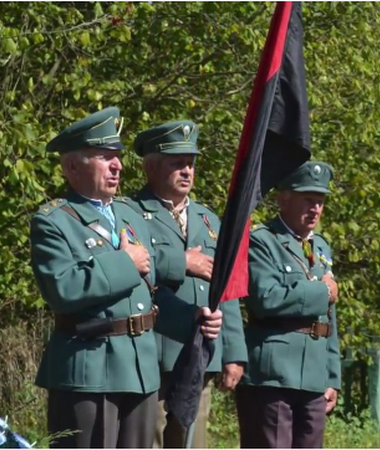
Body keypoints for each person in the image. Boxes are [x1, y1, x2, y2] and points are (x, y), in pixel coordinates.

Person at [29, 107, 223, 448]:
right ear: (72, 167)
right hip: (89, 372)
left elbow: (149, 294)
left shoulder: (129, 214)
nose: (117, 165)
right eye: (105, 157)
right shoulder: (54, 221)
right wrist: (125, 262)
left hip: (140, 371)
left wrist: (192, 318)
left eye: (117, 156)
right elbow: (63, 289)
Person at [125, 120, 248, 448]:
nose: (187, 171)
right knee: (149, 441)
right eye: (177, 163)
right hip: (152, 352)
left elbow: (226, 288)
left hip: (199, 354)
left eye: (191, 163)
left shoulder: (209, 220)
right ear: (151, 167)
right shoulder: (131, 212)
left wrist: (234, 353)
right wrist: (182, 262)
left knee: (192, 442)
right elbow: (132, 266)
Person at [235, 160, 341, 449]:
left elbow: (328, 317)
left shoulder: (321, 246)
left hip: (314, 375)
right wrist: (322, 291)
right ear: (283, 199)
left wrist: (332, 376)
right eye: (308, 199)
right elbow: (266, 297)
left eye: (320, 201)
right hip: (273, 374)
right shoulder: (262, 242)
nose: (315, 208)